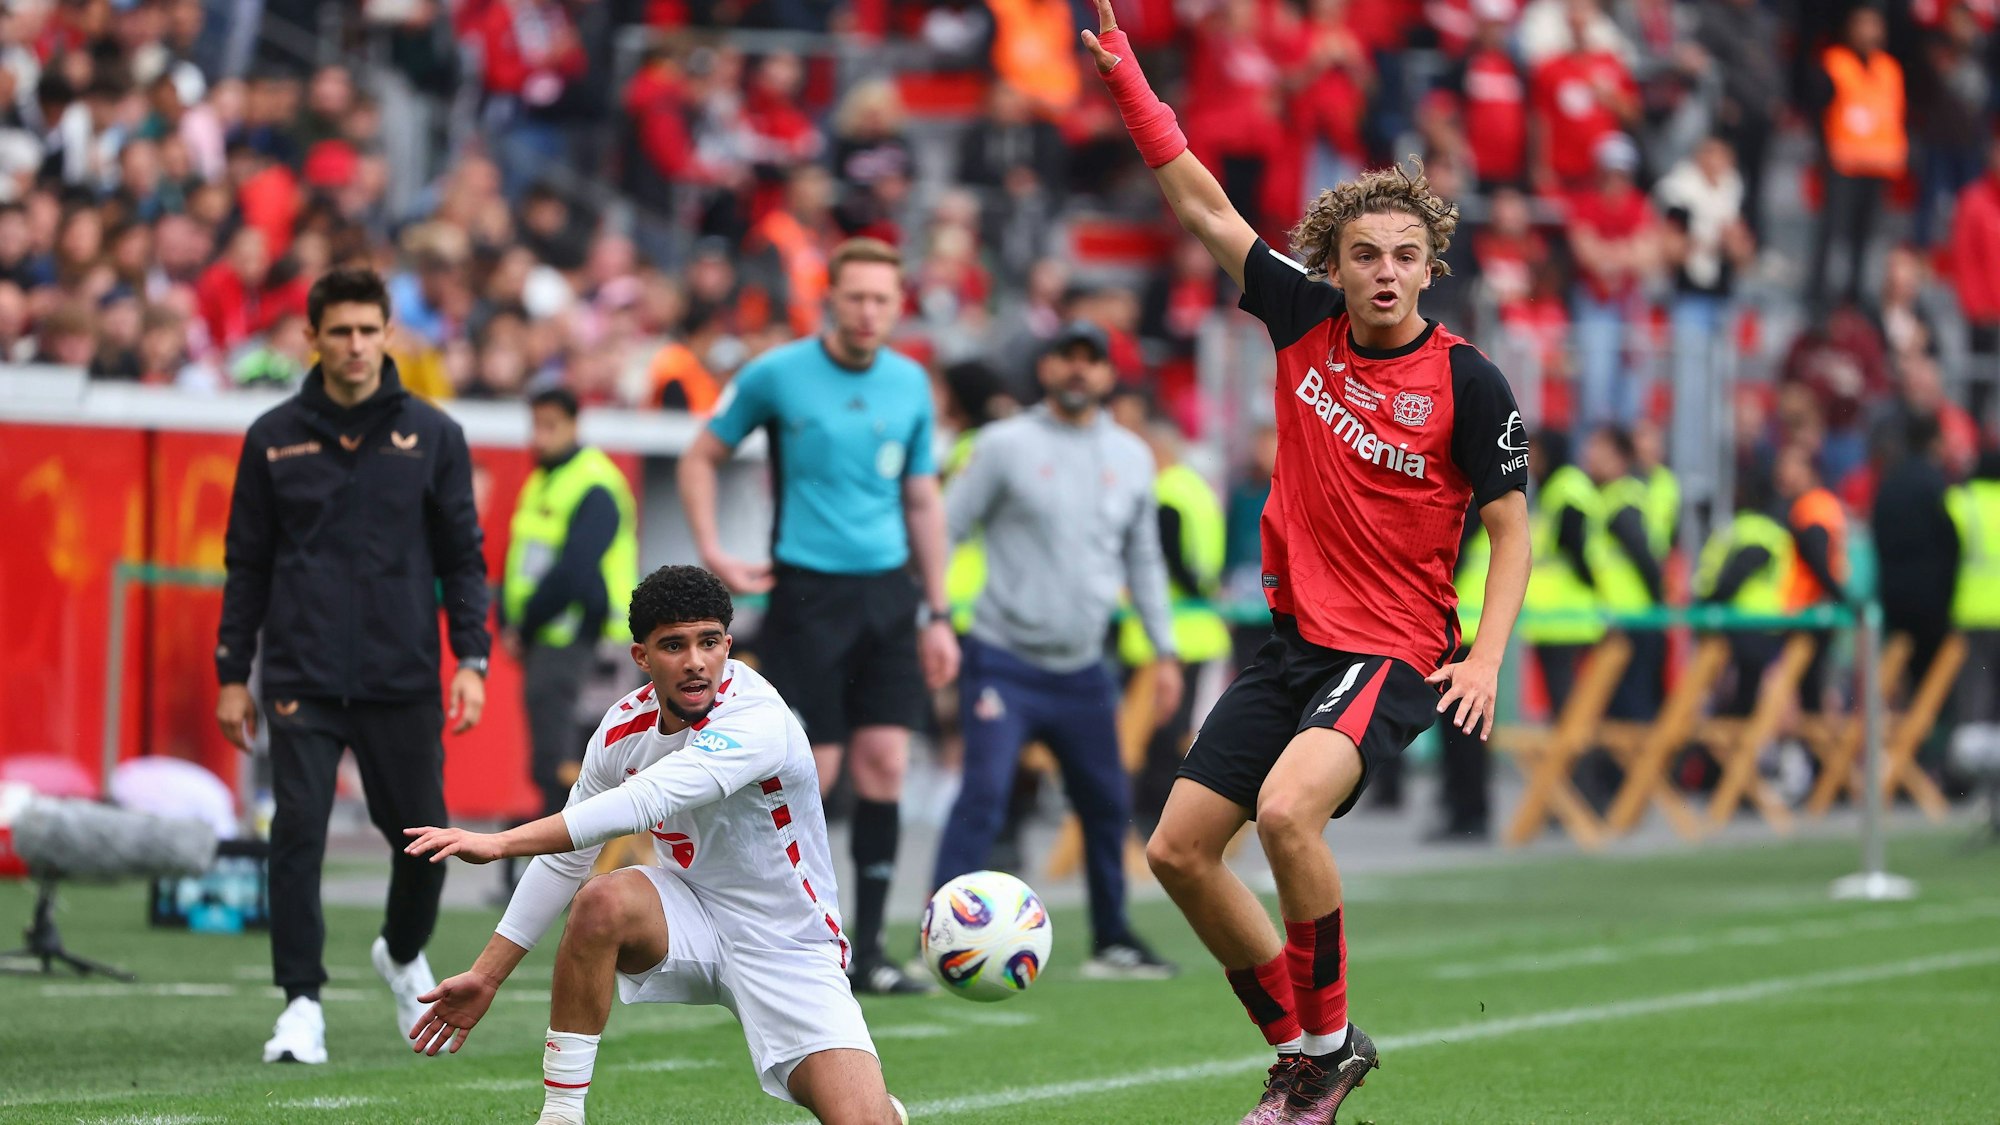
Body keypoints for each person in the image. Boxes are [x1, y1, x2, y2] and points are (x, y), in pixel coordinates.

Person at [1079, 5, 1534, 1122]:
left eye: (1405, 256)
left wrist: (1484, 657)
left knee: (1287, 815)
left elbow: (1512, 529)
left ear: (1430, 268)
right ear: (1331, 262)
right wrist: (1129, 80)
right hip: (1294, 645)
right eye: (1364, 254)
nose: (1384, 273)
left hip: (1394, 649)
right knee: (1178, 853)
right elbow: (1198, 199)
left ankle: (1324, 1057)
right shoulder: (1299, 317)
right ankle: (1304, 1053)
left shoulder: (1469, 381)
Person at [401, 566, 904, 1125]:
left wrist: (499, 843)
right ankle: (561, 1114)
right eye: (673, 645)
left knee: (863, 1120)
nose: (695, 661)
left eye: (709, 642)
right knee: (601, 901)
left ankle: (881, 1111)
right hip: (687, 916)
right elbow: (567, 860)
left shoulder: (757, 716)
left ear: (727, 645)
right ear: (641, 657)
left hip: (785, 944)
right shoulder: (621, 729)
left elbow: (644, 802)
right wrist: (487, 974)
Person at [214, 267, 491, 1065]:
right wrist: (232, 670)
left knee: (426, 842)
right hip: (298, 673)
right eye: (340, 331)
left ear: (388, 335)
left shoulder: (434, 434)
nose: (356, 345)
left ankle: (400, 952)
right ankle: (301, 1003)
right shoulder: (271, 436)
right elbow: (246, 563)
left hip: (401, 673)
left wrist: (471, 657)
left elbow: (464, 559)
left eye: (369, 330)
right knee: (296, 831)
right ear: (313, 337)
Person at [677, 237, 959, 995]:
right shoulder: (776, 373)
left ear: (898, 306)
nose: (868, 311)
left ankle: (870, 951)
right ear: (829, 299)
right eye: (855, 296)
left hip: (889, 595)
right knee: (815, 770)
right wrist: (714, 550)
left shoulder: (910, 383)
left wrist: (938, 612)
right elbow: (700, 455)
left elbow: (923, 499)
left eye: (881, 299)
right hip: (806, 595)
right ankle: (790, 941)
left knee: (886, 763)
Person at [933, 321, 1183, 980]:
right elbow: (946, 526)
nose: (1078, 369)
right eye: (1066, 357)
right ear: (1045, 369)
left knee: (1106, 801)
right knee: (983, 796)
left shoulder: (1131, 455)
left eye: (1091, 360)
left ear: (1108, 374)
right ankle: (940, 936)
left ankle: (1113, 940)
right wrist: (931, 617)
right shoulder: (1003, 444)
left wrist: (1165, 652)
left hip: (1082, 666)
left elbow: (1144, 558)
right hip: (1003, 656)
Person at [498, 387, 639, 892]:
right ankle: (562, 876)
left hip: (578, 640)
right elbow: (524, 562)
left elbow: (576, 570)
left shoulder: (593, 482)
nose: (540, 436)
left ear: (575, 424)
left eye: (551, 425)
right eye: (535, 425)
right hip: (552, 640)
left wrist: (524, 625)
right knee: (556, 763)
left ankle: (566, 878)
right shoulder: (546, 479)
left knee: (567, 765)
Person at [1119, 416, 1233, 833]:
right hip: (1200, 628)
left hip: (1163, 633)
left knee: (1152, 736)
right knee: (1179, 730)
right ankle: (1174, 814)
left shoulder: (1163, 494)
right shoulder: (1198, 490)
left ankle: (1152, 817)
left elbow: (1169, 559)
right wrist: (1208, 593)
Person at [1522, 431, 1605, 716]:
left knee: (1566, 699)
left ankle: (1575, 746)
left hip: (1566, 614)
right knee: (1564, 698)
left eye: (1535, 453)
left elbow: (1573, 542)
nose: (1530, 460)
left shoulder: (1566, 487)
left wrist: (1590, 582)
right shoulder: (1555, 488)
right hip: (1555, 615)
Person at [1776, 443, 1851, 711]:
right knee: (1811, 690)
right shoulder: (1821, 504)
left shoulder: (1811, 506)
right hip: (1812, 608)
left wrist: (1841, 597)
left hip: (1808, 610)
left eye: (1791, 466)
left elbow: (1816, 556)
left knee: (1811, 689)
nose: (1783, 474)